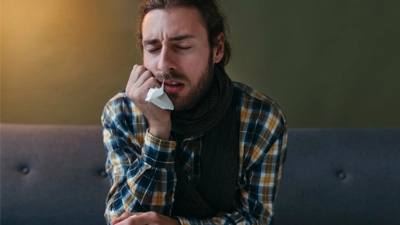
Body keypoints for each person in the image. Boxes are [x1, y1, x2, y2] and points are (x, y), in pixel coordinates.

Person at [101, 0, 288, 224]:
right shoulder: (122, 112)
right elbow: (123, 219)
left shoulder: (261, 118)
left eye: (182, 47)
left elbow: (254, 219)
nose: (163, 65)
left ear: (217, 48)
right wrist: (158, 132)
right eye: (153, 48)